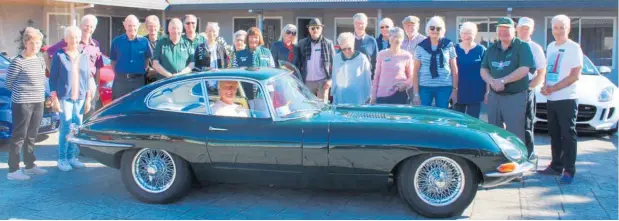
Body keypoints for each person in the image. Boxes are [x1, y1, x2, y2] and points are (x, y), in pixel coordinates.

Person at [537, 15, 583, 184]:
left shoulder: (574, 48)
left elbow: (574, 76)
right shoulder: (550, 46)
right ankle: (556, 166)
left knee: (567, 134)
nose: (558, 31)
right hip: (552, 98)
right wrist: (545, 86)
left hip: (567, 98)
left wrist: (554, 88)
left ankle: (569, 170)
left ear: (568, 28)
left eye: (562, 27)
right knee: (554, 134)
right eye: (555, 27)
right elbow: (549, 71)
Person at [480, 17, 534, 149]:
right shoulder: (491, 48)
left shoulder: (522, 46)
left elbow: (524, 69)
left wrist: (504, 81)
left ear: (514, 30)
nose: (503, 32)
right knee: (494, 132)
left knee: (515, 133)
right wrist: (492, 82)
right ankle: (498, 162)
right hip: (495, 96)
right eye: (500, 29)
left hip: (515, 96)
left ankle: (518, 162)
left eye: (507, 29)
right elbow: (483, 70)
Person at [5, 27, 48, 180]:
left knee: (32, 136)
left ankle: (30, 166)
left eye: (38, 43)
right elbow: (9, 84)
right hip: (22, 103)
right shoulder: (18, 62)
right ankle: (13, 170)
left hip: (38, 102)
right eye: (32, 43)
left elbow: (42, 80)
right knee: (19, 136)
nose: (35, 46)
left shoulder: (40, 59)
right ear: (25, 43)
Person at [49, 26, 92, 172]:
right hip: (65, 97)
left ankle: (72, 157)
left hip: (79, 97)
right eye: (71, 37)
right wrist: (54, 99)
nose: (74, 40)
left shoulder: (83, 54)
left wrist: (88, 98)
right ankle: (62, 159)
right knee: (66, 126)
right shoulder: (59, 55)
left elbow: (86, 78)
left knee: (77, 127)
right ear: (66, 39)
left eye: (76, 37)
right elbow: (53, 78)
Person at [47, 15, 103, 116]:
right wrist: (54, 73)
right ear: (80, 25)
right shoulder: (71, 39)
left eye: (91, 26)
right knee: (71, 115)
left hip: (89, 82)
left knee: (89, 112)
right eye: (86, 26)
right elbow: (47, 54)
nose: (88, 29)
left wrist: (97, 87)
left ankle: (85, 131)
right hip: (72, 81)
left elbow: (98, 67)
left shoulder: (96, 44)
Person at [411, 16, 458, 108]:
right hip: (425, 87)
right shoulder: (420, 47)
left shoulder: (449, 45)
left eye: (438, 28)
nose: (434, 30)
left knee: (443, 116)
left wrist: (455, 90)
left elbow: (454, 68)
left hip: (444, 87)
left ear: (442, 30)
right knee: (424, 116)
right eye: (432, 28)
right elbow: (415, 71)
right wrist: (416, 94)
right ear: (428, 29)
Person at [517, 17, 547, 158]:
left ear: (532, 30)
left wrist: (529, 88)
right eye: (522, 27)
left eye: (527, 28)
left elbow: (541, 72)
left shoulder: (535, 48)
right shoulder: (510, 45)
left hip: (526, 90)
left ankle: (529, 154)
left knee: (526, 124)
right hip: (509, 91)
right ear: (517, 28)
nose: (524, 30)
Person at [110, 15, 151, 99]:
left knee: (137, 107)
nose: (131, 28)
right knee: (119, 107)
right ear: (124, 25)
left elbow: (147, 59)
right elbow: (113, 61)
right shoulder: (117, 42)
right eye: (129, 25)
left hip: (138, 81)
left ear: (138, 25)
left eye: (134, 25)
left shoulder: (144, 42)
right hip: (120, 82)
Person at [295, 18, 336, 103]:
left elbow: (335, 63)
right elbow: (298, 63)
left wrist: (330, 80)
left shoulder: (328, 43)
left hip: (323, 81)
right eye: (312, 28)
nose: (315, 30)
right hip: (307, 81)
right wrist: (298, 80)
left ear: (321, 29)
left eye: (317, 28)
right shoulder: (302, 43)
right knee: (307, 106)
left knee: (323, 107)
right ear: (309, 29)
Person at [371, 27, 414, 105]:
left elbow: (412, 77)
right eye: (392, 36)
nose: (395, 39)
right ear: (389, 38)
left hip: (399, 95)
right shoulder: (381, 54)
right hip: (382, 96)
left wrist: (405, 84)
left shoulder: (407, 56)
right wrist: (373, 96)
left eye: (398, 37)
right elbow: (376, 77)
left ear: (402, 40)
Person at [453, 22, 486, 118]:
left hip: (476, 91)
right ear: (460, 34)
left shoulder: (481, 50)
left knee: (473, 121)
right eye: (464, 33)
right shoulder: (454, 49)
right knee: (457, 121)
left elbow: (487, 71)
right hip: (458, 91)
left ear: (475, 34)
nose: (467, 36)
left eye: (469, 33)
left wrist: (487, 92)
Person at [331, 32, 372, 105]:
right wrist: (333, 94)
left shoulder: (362, 58)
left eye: (349, 48)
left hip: (357, 98)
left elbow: (367, 79)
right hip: (341, 97)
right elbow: (334, 77)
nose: (347, 51)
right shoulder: (336, 58)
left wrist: (368, 96)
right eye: (344, 49)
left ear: (353, 45)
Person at [144, 15, 161, 83]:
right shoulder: (142, 41)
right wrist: (148, 69)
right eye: (150, 26)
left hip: (161, 78)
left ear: (158, 27)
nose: (153, 28)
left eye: (155, 26)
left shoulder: (164, 41)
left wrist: (157, 71)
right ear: (146, 27)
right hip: (146, 78)